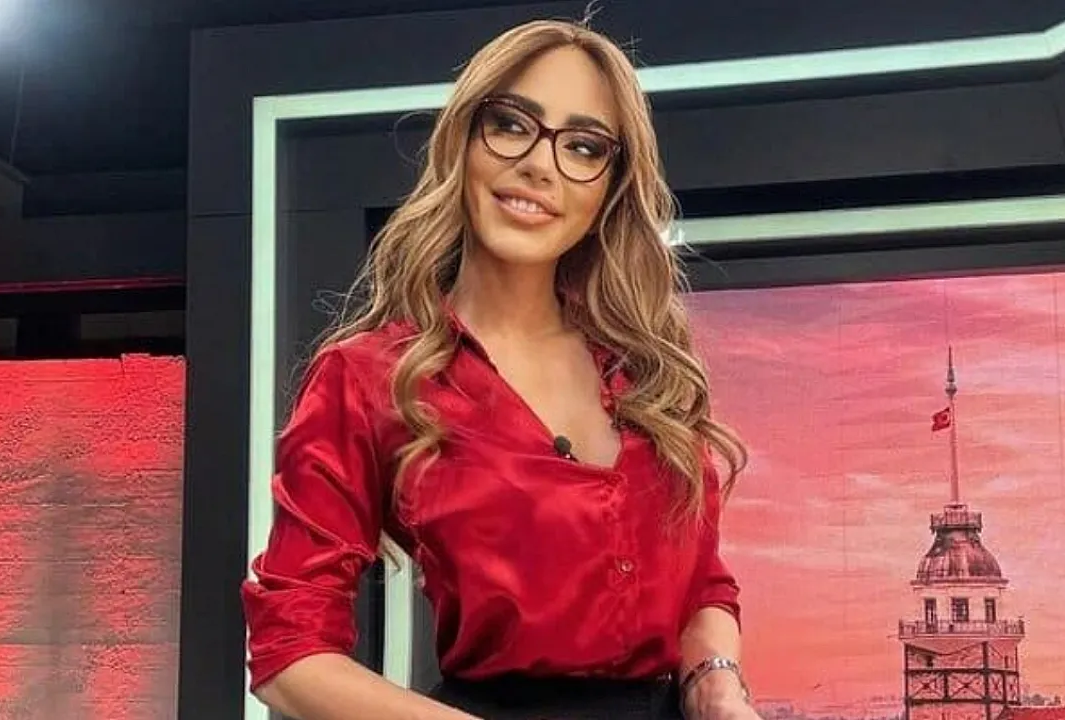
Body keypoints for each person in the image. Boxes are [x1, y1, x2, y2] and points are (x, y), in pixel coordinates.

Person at [242, 17, 756, 720]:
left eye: (583, 146)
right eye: (512, 125)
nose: (541, 165)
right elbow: (289, 651)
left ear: (610, 187)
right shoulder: (368, 377)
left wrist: (717, 687)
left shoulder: (647, 373)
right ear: (463, 141)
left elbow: (702, 587)